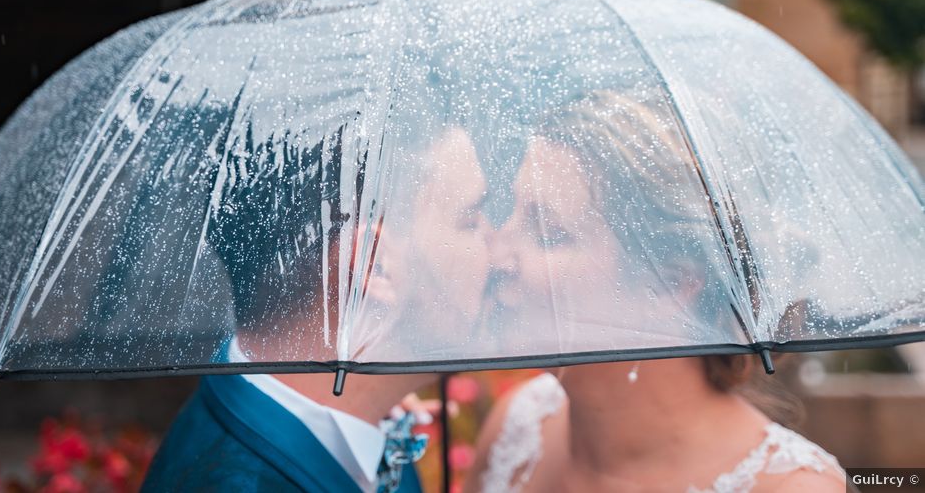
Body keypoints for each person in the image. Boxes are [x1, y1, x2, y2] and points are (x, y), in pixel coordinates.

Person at [465, 91, 849, 493]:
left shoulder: (790, 487)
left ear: (670, 286)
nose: (496, 254)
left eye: (547, 233)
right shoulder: (517, 431)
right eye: (511, 211)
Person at [143, 116, 492, 492]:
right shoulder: (238, 481)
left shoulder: (314, 409)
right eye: (470, 221)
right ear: (375, 265)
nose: (500, 253)